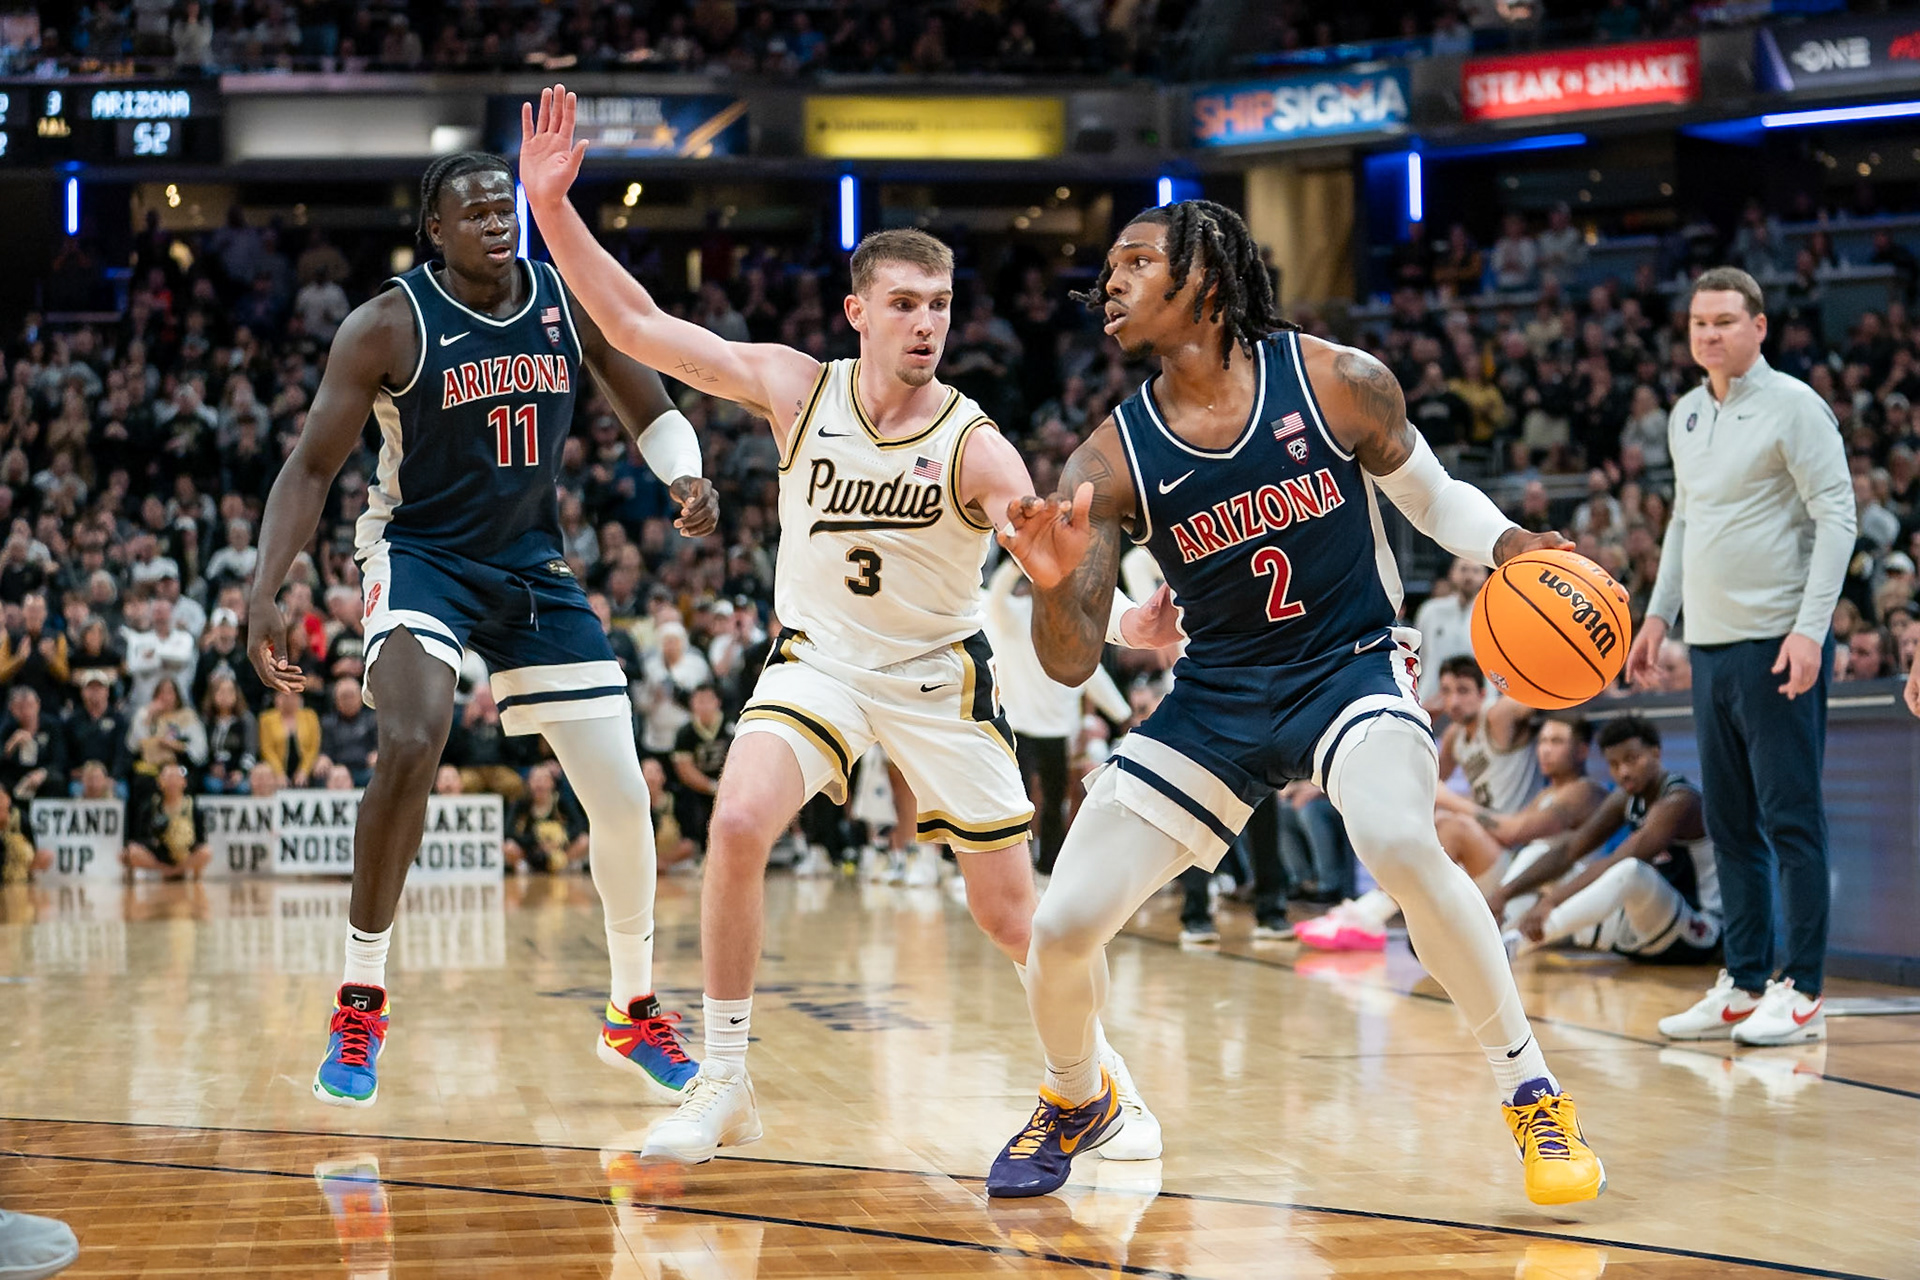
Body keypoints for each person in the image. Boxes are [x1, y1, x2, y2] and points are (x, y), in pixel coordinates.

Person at [519, 85, 1174, 1166]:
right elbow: (637, 327)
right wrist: (551, 207)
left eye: (942, 305)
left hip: (935, 675)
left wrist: (1114, 626)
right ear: (860, 310)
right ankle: (724, 1083)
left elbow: (1053, 570)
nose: (927, 324)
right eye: (907, 304)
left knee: (1017, 918)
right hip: (816, 662)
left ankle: (1101, 1081)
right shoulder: (795, 389)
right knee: (734, 827)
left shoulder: (976, 446)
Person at [994, 199, 1602, 1204]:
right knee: (1059, 929)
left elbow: (1436, 497)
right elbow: (1067, 663)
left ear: (1209, 281)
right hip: (1217, 694)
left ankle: (1532, 1089)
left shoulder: (1336, 381)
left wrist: (1507, 546)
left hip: (1349, 663)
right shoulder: (1107, 460)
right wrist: (1062, 588)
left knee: (1404, 841)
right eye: (1109, 267)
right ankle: (1076, 1095)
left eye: (1138, 261)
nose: (1111, 282)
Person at [246, 148, 719, 1110]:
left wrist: (686, 475)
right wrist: (266, 588)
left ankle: (633, 1011)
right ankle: (361, 1000)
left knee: (625, 801)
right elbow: (308, 469)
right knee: (413, 737)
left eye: (505, 206)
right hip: (419, 557)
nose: (499, 220)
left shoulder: (564, 299)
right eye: (474, 211)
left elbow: (650, 405)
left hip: (531, 567)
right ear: (436, 232)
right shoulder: (386, 324)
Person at [1626, 267, 1851, 1048]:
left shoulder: (1796, 407)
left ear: (1760, 327)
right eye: (1698, 323)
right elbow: (1685, 523)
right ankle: (1744, 981)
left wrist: (1809, 630)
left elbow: (1839, 519)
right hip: (1712, 650)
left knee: (1792, 819)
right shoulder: (1685, 414)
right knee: (1729, 825)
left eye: (1724, 321)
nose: (1709, 334)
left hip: (1776, 642)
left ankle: (1806, 989)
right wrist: (1657, 617)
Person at [1297, 653, 1544, 951]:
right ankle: (1390, 913)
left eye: (1463, 691)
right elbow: (1422, 786)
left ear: (1483, 693)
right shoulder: (1454, 736)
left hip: (1517, 863)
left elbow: (1539, 696)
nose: (1453, 701)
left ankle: (1369, 915)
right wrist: (1420, 718)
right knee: (1431, 817)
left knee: (1451, 824)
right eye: (1447, 691)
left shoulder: (1497, 716)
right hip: (1484, 856)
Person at [1492, 716, 1721, 965]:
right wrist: (1503, 894)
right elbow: (1570, 850)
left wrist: (1551, 901)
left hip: (1698, 931)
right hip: (1646, 931)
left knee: (1631, 871)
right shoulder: (1627, 796)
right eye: (1614, 764)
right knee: (1538, 852)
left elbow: (1622, 860)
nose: (1623, 771)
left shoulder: (1679, 801)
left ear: (1656, 753)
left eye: (1632, 760)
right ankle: (1492, 939)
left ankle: (1514, 946)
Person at [982, 557, 1131, 875]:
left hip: (1056, 730)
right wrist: (1021, 558)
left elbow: (1092, 673)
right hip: (1016, 727)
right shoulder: (1011, 617)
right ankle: (1014, 869)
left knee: (1053, 802)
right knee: (1014, 804)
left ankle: (1048, 868)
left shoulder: (1068, 625)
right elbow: (996, 592)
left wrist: (1122, 714)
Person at [670, 684, 732, 856]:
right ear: (692, 704)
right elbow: (685, 770)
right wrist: (713, 787)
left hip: (732, 784)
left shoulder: (731, 725)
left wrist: (728, 785)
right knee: (691, 804)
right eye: (699, 701)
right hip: (701, 789)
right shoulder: (685, 733)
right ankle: (701, 854)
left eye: (707, 700)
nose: (703, 706)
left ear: (717, 702)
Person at [121, 761, 212, 879]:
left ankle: (179, 870)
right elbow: (139, 837)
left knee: (206, 852)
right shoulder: (150, 806)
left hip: (185, 853)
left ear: (184, 782)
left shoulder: (193, 807)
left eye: (176, 778)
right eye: (168, 777)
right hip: (159, 854)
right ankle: (166, 870)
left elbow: (201, 839)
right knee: (132, 851)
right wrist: (155, 837)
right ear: (160, 782)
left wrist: (185, 841)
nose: (172, 782)